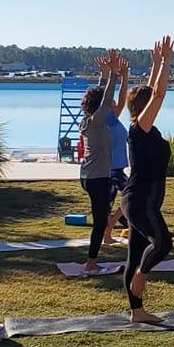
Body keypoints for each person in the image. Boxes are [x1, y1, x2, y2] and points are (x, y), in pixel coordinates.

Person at [122, 37, 174, 322]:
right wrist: (166, 62)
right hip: (142, 202)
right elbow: (159, 95)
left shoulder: (142, 128)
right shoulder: (140, 129)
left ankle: (137, 312)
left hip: (138, 199)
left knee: (136, 252)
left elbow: (153, 92)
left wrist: (156, 64)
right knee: (163, 243)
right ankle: (141, 278)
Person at [79, 49, 120, 276]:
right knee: (99, 223)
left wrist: (104, 75)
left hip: (88, 176)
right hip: (97, 178)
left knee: (101, 219)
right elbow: (104, 100)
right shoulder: (95, 122)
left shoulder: (87, 120)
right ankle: (91, 262)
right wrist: (113, 75)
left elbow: (98, 96)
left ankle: (92, 259)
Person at [102, 56, 130, 245]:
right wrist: (108, 76)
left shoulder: (114, 118)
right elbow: (110, 97)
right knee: (128, 195)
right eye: (110, 101)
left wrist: (124, 78)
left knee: (119, 200)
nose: (115, 102)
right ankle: (107, 232)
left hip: (117, 169)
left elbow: (121, 98)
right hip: (111, 170)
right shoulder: (107, 119)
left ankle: (108, 230)